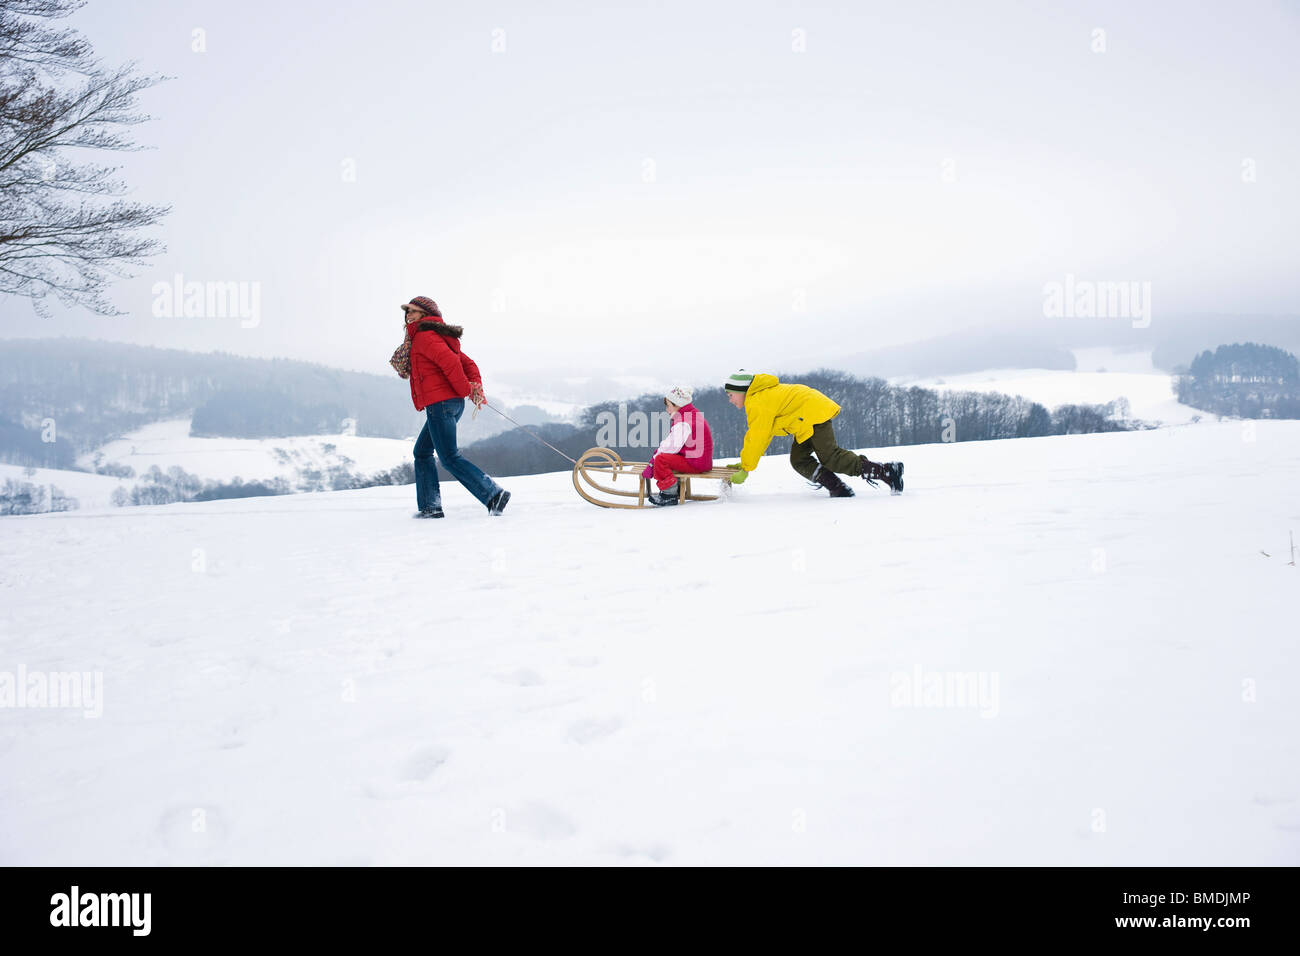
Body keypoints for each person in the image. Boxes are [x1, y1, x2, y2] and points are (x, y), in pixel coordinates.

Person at [395, 295, 509, 518]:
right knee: (422, 451)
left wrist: (467, 389)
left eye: (413, 311)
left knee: (448, 457)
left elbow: (451, 365)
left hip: (442, 404)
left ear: (426, 315)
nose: (409, 315)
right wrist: (475, 387)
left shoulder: (425, 337)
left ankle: (493, 494)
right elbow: (468, 363)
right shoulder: (436, 335)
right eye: (407, 311)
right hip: (448, 404)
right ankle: (430, 507)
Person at [721, 369, 903, 497]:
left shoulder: (757, 401)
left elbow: (757, 436)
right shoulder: (760, 397)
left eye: (730, 395)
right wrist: (746, 462)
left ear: (741, 391)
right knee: (799, 459)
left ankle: (887, 471)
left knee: (831, 457)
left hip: (812, 416)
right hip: (806, 419)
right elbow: (764, 434)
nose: (729, 400)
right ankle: (838, 488)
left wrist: (746, 467)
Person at [639, 386, 714, 507]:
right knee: (670, 456)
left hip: (695, 463)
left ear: (677, 405)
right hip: (699, 460)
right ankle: (676, 487)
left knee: (661, 459)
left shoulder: (684, 422)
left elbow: (669, 447)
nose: (667, 409)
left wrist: (652, 462)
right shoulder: (691, 414)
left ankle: (669, 494)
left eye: (668, 406)